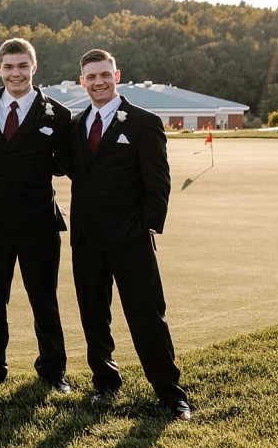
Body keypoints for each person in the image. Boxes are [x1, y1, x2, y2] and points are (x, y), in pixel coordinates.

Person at [68, 48, 192, 420]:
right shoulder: (76, 125)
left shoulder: (143, 122)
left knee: (147, 317)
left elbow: (159, 183)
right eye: (91, 77)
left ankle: (172, 394)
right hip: (86, 239)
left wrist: (148, 227)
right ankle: (105, 383)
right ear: (82, 82)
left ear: (116, 75)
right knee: (93, 316)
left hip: (130, 239)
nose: (98, 82)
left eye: (104, 74)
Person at [0, 38, 71, 396]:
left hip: (39, 224)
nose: (16, 73)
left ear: (34, 66)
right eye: (9, 67)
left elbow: (66, 165)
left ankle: (53, 371)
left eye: (22, 66)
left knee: (44, 299)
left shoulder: (57, 114)